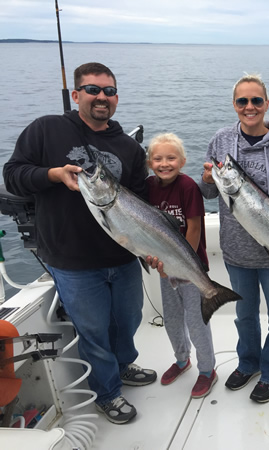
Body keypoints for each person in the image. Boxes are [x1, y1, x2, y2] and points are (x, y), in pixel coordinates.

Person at [3, 62, 156, 425]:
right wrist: (52, 174)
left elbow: (140, 201)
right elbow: (13, 175)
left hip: (123, 254)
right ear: (76, 95)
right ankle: (107, 393)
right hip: (71, 259)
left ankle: (122, 365)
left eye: (109, 91)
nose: (102, 97)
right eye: (93, 89)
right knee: (94, 331)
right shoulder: (46, 129)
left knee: (128, 320)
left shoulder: (128, 147)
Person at [199, 73, 269, 403]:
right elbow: (208, 190)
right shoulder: (220, 141)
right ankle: (248, 363)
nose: (249, 106)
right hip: (236, 251)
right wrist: (206, 179)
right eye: (242, 101)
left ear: (266, 104)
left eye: (256, 100)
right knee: (244, 316)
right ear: (234, 105)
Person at [146, 133, 217, 398]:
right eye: (158, 158)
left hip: (191, 268)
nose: (165, 163)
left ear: (183, 161)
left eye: (171, 158)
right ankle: (181, 359)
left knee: (197, 322)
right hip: (165, 269)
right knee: (173, 320)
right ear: (150, 162)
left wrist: (183, 265)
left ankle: (208, 369)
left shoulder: (188, 187)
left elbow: (195, 227)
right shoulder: (148, 186)